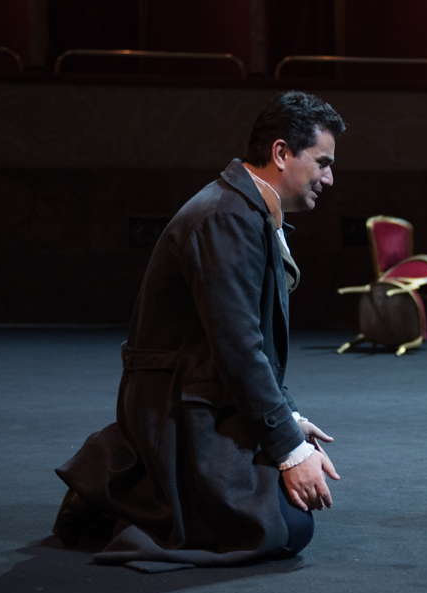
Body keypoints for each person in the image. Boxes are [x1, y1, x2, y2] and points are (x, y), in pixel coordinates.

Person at [53, 91, 346, 567]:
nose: (330, 178)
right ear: (280, 153)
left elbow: (249, 347)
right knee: (287, 527)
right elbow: (239, 348)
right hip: (177, 408)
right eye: (323, 162)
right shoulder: (224, 218)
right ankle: (111, 496)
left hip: (204, 394)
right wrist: (288, 449)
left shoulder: (247, 211)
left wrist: (288, 420)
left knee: (289, 516)